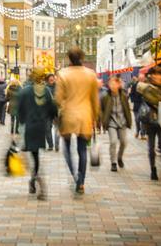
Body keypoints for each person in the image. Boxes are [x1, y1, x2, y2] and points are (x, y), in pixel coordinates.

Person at [55, 47, 99, 194]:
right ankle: (81, 181)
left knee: (66, 148)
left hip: (68, 116)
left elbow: (58, 98)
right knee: (82, 150)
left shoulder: (62, 74)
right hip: (85, 116)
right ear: (82, 57)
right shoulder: (91, 75)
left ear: (69, 58)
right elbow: (95, 100)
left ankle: (74, 174)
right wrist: (96, 117)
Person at [17, 67, 57, 200]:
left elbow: (19, 112)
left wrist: (19, 127)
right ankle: (34, 180)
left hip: (28, 128)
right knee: (36, 156)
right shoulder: (45, 91)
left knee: (31, 157)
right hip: (40, 128)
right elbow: (53, 109)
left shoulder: (24, 91)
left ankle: (36, 180)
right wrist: (50, 118)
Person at [137, 66, 161, 183]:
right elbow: (151, 100)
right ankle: (153, 169)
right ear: (152, 75)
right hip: (151, 121)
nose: (158, 77)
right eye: (156, 74)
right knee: (151, 148)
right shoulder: (147, 87)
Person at [101, 76, 132, 172]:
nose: (112, 86)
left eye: (115, 83)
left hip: (122, 122)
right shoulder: (105, 96)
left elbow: (127, 109)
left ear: (119, 85)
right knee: (113, 141)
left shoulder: (124, 95)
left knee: (123, 142)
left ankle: (119, 157)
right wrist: (102, 120)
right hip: (111, 122)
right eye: (111, 84)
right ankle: (113, 162)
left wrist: (129, 121)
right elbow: (101, 109)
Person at [44, 73, 60, 151]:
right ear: (47, 80)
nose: (52, 80)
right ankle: (50, 145)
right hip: (48, 111)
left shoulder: (58, 87)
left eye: (53, 79)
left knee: (57, 128)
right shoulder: (45, 88)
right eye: (50, 79)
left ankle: (57, 144)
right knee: (47, 128)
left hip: (57, 110)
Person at [129, 75, 147, 139]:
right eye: (141, 78)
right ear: (138, 79)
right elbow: (131, 94)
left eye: (143, 78)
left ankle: (142, 134)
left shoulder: (146, 86)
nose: (142, 79)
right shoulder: (134, 85)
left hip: (144, 106)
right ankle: (137, 131)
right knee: (137, 120)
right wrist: (133, 100)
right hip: (136, 105)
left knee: (143, 120)